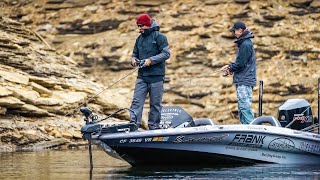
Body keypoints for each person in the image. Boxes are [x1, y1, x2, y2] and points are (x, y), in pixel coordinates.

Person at [129, 13, 170, 130]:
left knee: (155, 105)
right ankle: (133, 125)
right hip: (142, 77)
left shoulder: (160, 37)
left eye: (141, 25)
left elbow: (166, 54)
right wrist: (133, 60)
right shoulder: (139, 39)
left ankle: (153, 127)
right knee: (136, 102)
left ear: (148, 25)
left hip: (156, 78)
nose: (140, 28)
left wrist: (150, 61)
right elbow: (134, 54)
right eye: (138, 26)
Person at [220, 21, 256, 124]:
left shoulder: (245, 44)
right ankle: (246, 129)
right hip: (243, 79)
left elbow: (241, 64)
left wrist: (230, 68)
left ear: (240, 30)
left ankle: (252, 129)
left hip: (244, 80)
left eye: (234, 31)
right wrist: (230, 67)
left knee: (244, 107)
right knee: (242, 107)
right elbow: (241, 63)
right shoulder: (245, 43)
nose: (234, 33)